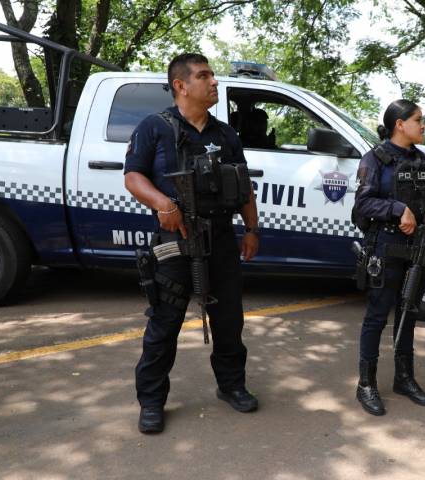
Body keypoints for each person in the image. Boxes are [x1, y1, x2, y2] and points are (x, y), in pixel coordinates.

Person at [124, 53, 260, 433]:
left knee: (229, 320)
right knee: (164, 324)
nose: (214, 82)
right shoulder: (155, 127)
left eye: (213, 75)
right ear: (181, 86)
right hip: (176, 239)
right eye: (204, 76)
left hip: (221, 239)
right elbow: (133, 176)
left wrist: (252, 229)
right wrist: (163, 204)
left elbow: (244, 186)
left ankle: (232, 386)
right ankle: (151, 401)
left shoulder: (226, 135)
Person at [352, 99, 425, 416]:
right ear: (399, 124)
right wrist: (397, 209)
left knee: (409, 313)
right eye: (418, 120)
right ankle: (366, 384)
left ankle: (404, 378)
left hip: (418, 250)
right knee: (377, 316)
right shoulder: (374, 159)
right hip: (385, 247)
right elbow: (361, 205)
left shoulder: (423, 161)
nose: (423, 126)